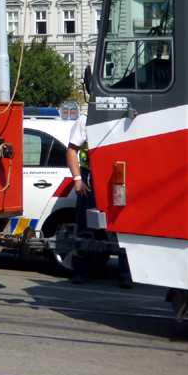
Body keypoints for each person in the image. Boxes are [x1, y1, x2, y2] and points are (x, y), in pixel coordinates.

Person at [66, 114, 132, 288]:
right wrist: (77, 179)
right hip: (92, 179)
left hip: (118, 176)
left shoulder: (127, 116)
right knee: (86, 228)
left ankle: (126, 275)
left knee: (122, 226)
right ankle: (81, 271)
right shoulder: (86, 119)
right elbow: (72, 149)